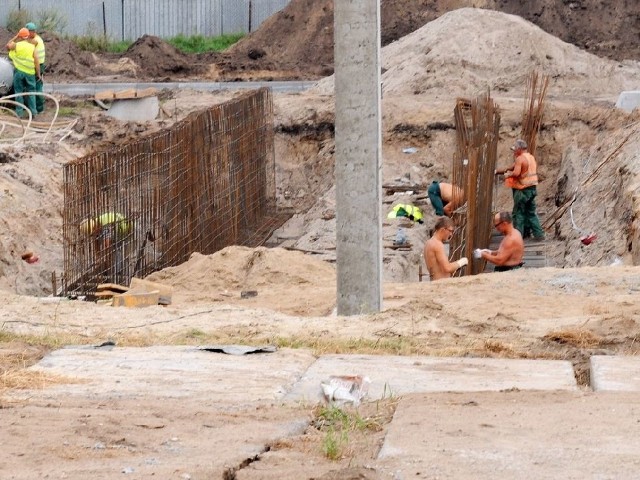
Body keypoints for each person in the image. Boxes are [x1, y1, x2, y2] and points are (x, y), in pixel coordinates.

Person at [495, 139, 545, 240]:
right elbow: (511, 167)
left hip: (523, 191)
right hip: (532, 189)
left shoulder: (520, 159)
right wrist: (497, 171)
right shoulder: (530, 157)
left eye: (515, 149)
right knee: (530, 213)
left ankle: (517, 237)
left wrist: (508, 175)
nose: (514, 151)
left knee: (518, 214)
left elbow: (516, 173)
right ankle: (539, 235)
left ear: (519, 149)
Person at [6, 27, 40, 118]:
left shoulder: (16, 45)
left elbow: (7, 45)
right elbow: (36, 61)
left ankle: (19, 113)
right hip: (30, 73)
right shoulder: (32, 47)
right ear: (28, 36)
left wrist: (15, 37)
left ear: (20, 37)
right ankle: (33, 113)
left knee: (19, 93)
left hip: (19, 73)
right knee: (31, 92)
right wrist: (38, 74)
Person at [424, 216, 468, 281]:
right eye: (450, 231)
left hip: (434, 282)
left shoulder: (428, 243)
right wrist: (461, 262)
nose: (451, 234)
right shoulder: (437, 244)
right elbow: (447, 268)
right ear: (443, 229)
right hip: (440, 284)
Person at [26, 22, 46, 114]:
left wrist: (21, 38)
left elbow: (30, 43)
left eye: (27, 32)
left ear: (32, 32)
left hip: (38, 66)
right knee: (34, 86)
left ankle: (39, 108)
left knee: (36, 87)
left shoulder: (36, 40)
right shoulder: (37, 38)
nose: (27, 34)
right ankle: (36, 108)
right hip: (38, 65)